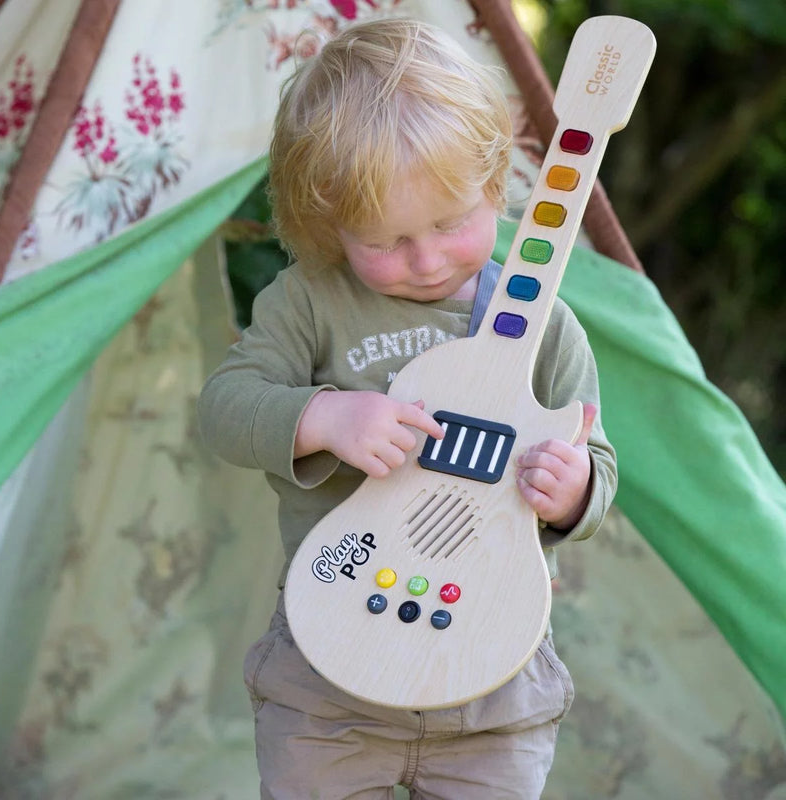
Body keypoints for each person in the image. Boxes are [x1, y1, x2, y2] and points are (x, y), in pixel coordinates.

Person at [198, 17, 617, 800]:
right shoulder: (307, 303)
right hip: (329, 679)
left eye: (452, 223)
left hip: (494, 688)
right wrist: (326, 419)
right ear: (328, 225)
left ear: (494, 183)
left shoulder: (543, 320)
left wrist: (574, 491)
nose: (425, 259)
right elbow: (224, 407)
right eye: (385, 241)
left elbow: (595, 458)